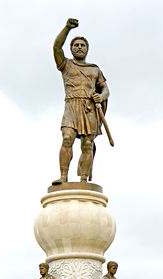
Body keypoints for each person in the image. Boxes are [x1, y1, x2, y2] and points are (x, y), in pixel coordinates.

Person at [52, 18, 110, 185]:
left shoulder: (94, 69)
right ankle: (63, 176)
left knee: (87, 144)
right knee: (67, 138)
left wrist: (102, 96)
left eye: (82, 45)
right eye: (75, 45)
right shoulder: (66, 65)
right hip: (71, 105)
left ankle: (83, 179)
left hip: (89, 108)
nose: (79, 47)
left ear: (87, 49)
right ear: (71, 49)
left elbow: (105, 89)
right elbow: (56, 47)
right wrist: (67, 28)